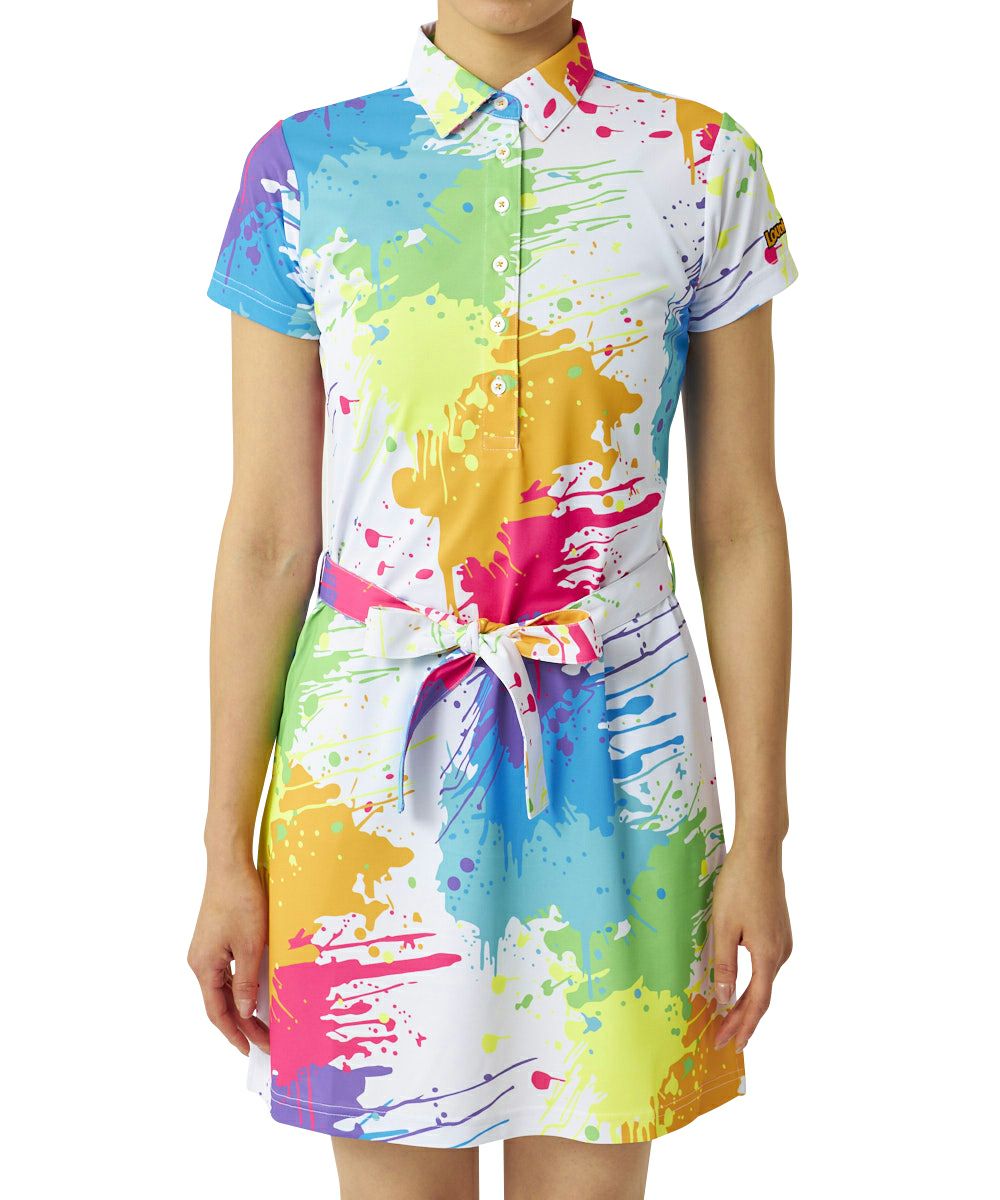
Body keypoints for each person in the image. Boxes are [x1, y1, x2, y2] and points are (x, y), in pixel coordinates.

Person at [188, 2, 797, 1196]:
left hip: (620, 756)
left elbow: (738, 525)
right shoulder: (305, 170)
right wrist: (224, 849)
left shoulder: (698, 161)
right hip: (369, 774)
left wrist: (762, 840)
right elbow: (266, 538)